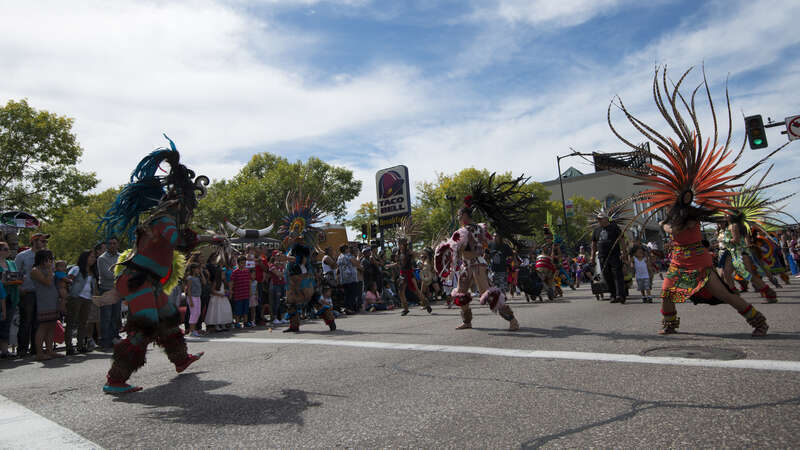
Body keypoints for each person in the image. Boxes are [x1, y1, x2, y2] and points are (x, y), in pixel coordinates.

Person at [606, 66, 786, 336]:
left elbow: (675, 228)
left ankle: (757, 320)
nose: (685, 196)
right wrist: (667, 227)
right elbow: (669, 227)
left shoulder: (690, 214)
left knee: (723, 294)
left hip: (699, 263)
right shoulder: (674, 214)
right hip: (679, 262)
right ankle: (670, 324)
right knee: (668, 294)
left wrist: (671, 227)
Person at [96, 136, 205, 394]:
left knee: (167, 319)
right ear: (179, 202)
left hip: (150, 281)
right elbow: (177, 241)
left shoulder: (165, 218)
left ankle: (180, 360)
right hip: (139, 280)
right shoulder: (164, 220)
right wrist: (205, 237)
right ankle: (115, 380)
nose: (188, 213)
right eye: (188, 207)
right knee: (142, 328)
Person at [435, 174, 539, 331]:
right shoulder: (479, 228)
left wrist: (456, 248)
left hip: (477, 265)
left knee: (487, 292)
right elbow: (485, 243)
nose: (457, 217)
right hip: (467, 266)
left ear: (464, 215)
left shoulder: (465, 230)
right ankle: (467, 321)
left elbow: (462, 247)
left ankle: (512, 320)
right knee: (461, 294)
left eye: (459, 215)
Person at [14, 232, 49, 358]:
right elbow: (15, 272)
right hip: (28, 292)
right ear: (34, 241)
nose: (44, 243)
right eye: (42, 241)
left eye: (45, 241)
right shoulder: (22, 256)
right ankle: (22, 349)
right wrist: (19, 288)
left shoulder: (47, 255)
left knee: (38, 322)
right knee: (26, 321)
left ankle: (36, 349)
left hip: (42, 292)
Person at [30, 250, 63, 360]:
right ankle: (39, 353)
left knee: (52, 325)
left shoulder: (49, 270)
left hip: (53, 299)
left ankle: (50, 350)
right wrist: (49, 269)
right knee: (43, 326)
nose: (50, 261)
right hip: (44, 301)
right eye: (48, 259)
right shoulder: (35, 270)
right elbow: (47, 282)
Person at [65, 250, 98, 355]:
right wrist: (69, 294)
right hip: (76, 297)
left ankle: (80, 345)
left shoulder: (93, 272)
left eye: (94, 257)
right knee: (71, 322)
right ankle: (69, 347)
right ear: (85, 258)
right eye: (91, 257)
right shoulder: (76, 269)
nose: (93, 259)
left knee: (83, 323)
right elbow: (68, 280)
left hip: (87, 299)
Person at [591, 212, 627, 304]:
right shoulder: (596, 230)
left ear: (606, 219)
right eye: (598, 219)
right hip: (602, 256)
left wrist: (624, 253)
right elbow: (594, 244)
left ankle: (621, 295)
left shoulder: (615, 228)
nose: (599, 221)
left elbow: (622, 240)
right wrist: (592, 256)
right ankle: (613, 295)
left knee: (617, 275)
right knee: (607, 276)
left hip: (614, 255)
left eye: (601, 219)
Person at [96, 237, 121, 350]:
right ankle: (105, 340)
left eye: (114, 243)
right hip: (106, 289)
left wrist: (119, 273)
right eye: (110, 243)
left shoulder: (121, 257)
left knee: (116, 316)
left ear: (118, 245)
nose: (112, 245)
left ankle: (115, 337)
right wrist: (120, 273)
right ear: (106, 245)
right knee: (106, 317)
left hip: (117, 290)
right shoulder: (102, 258)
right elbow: (107, 275)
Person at [0, 241, 21, 358]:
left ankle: (4, 350)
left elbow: (16, 275)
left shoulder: (11, 263)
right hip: (0, 296)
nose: (8, 251)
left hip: (11, 296)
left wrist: (18, 279)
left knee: (6, 323)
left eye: (8, 249)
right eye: (5, 249)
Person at [205, 266, 233, 332]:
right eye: (222, 274)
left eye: (224, 274)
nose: (224, 276)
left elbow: (225, 289)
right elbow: (212, 290)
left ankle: (223, 324)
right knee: (217, 311)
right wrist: (219, 294)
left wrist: (227, 292)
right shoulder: (216, 282)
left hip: (223, 298)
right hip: (217, 298)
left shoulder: (224, 282)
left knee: (224, 310)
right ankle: (217, 324)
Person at [337, 245, 360, 313]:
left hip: (344, 279)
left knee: (347, 294)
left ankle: (348, 308)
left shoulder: (339, 257)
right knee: (352, 294)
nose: (349, 249)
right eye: (348, 248)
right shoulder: (348, 256)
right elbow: (356, 263)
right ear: (345, 250)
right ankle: (350, 308)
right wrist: (358, 256)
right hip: (351, 278)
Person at [230, 256, 251, 328]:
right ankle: (237, 322)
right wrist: (231, 291)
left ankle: (245, 322)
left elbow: (249, 282)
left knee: (246, 309)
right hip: (238, 294)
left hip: (246, 293)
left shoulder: (247, 271)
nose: (243, 264)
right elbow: (231, 282)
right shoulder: (235, 272)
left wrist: (250, 291)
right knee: (238, 310)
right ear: (238, 263)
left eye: (244, 263)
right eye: (242, 263)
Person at [184, 264, 204, 336]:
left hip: (198, 297)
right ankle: (192, 330)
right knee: (193, 313)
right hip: (192, 297)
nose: (198, 270)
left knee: (198, 313)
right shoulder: (190, 278)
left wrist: (201, 273)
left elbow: (204, 282)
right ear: (193, 269)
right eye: (197, 269)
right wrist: (190, 301)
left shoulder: (198, 277)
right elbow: (188, 290)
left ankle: (194, 329)